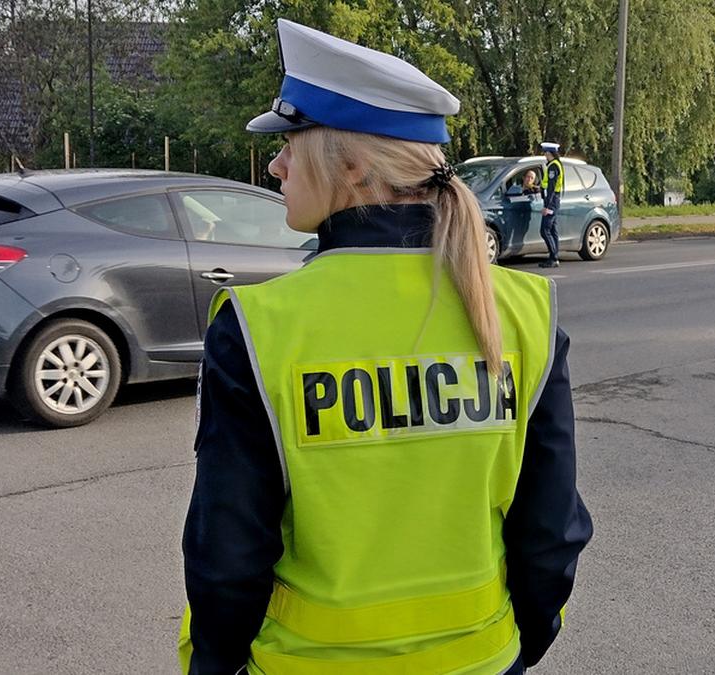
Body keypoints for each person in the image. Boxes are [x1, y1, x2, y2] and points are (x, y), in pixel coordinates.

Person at [180, 18, 593, 675]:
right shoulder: (526, 313)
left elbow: (227, 563)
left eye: (291, 141)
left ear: (351, 163)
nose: (275, 164)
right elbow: (550, 538)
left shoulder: (260, 327)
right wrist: (514, 650)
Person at [537, 142, 563, 268]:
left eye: (545, 153)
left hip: (552, 201)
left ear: (549, 153)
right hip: (554, 200)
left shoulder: (553, 167)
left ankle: (554, 257)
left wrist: (547, 206)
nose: (544, 155)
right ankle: (554, 256)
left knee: (544, 230)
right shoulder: (555, 165)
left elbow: (551, 187)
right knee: (552, 230)